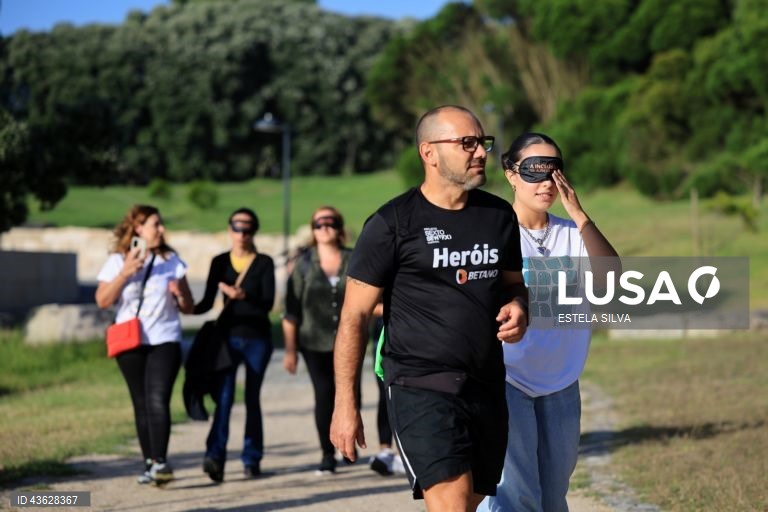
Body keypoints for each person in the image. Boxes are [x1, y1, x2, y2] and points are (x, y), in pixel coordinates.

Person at [330, 105, 529, 511]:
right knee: (452, 505)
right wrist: (345, 404)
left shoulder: (499, 217)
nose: (480, 153)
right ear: (429, 152)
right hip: (420, 385)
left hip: (487, 384)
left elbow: (514, 285)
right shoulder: (391, 224)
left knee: (468, 504)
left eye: (483, 143)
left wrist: (519, 306)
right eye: (467, 143)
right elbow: (353, 317)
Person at [477, 133, 618, 512]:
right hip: (507, 378)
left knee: (554, 496)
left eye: (553, 170)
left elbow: (611, 280)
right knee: (515, 494)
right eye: (534, 170)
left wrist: (579, 214)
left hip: (561, 381)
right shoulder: (494, 233)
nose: (546, 181)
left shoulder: (574, 233)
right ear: (511, 174)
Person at [95, 204, 194, 485]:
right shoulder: (118, 260)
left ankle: (161, 461)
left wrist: (180, 294)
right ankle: (149, 463)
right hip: (130, 340)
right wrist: (126, 272)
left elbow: (188, 307)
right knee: (140, 402)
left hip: (165, 338)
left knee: (157, 398)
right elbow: (103, 300)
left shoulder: (172, 261)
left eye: (161, 224)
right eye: (155, 224)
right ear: (138, 228)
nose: (161, 230)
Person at [193, 207, 275, 482]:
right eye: (237, 228)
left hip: (256, 338)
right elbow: (205, 302)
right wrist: (182, 303)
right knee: (224, 397)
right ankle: (214, 457)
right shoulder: (219, 262)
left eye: (248, 228)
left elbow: (268, 303)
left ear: (254, 232)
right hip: (225, 338)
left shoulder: (263, 262)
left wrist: (243, 294)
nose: (242, 233)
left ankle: (252, 458)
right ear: (229, 230)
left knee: (252, 398)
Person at [282, 206, 354, 475]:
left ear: (339, 227)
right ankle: (327, 452)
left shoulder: (354, 258)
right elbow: (291, 311)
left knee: (350, 395)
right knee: (324, 395)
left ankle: (348, 445)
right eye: (318, 223)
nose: (325, 227)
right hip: (314, 341)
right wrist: (290, 350)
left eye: (331, 222)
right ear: (312, 230)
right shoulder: (302, 265)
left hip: (349, 340)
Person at [367, 314, 405, 477]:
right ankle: (386, 450)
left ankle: (404, 454)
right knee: (386, 396)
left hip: (416, 335)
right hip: (387, 334)